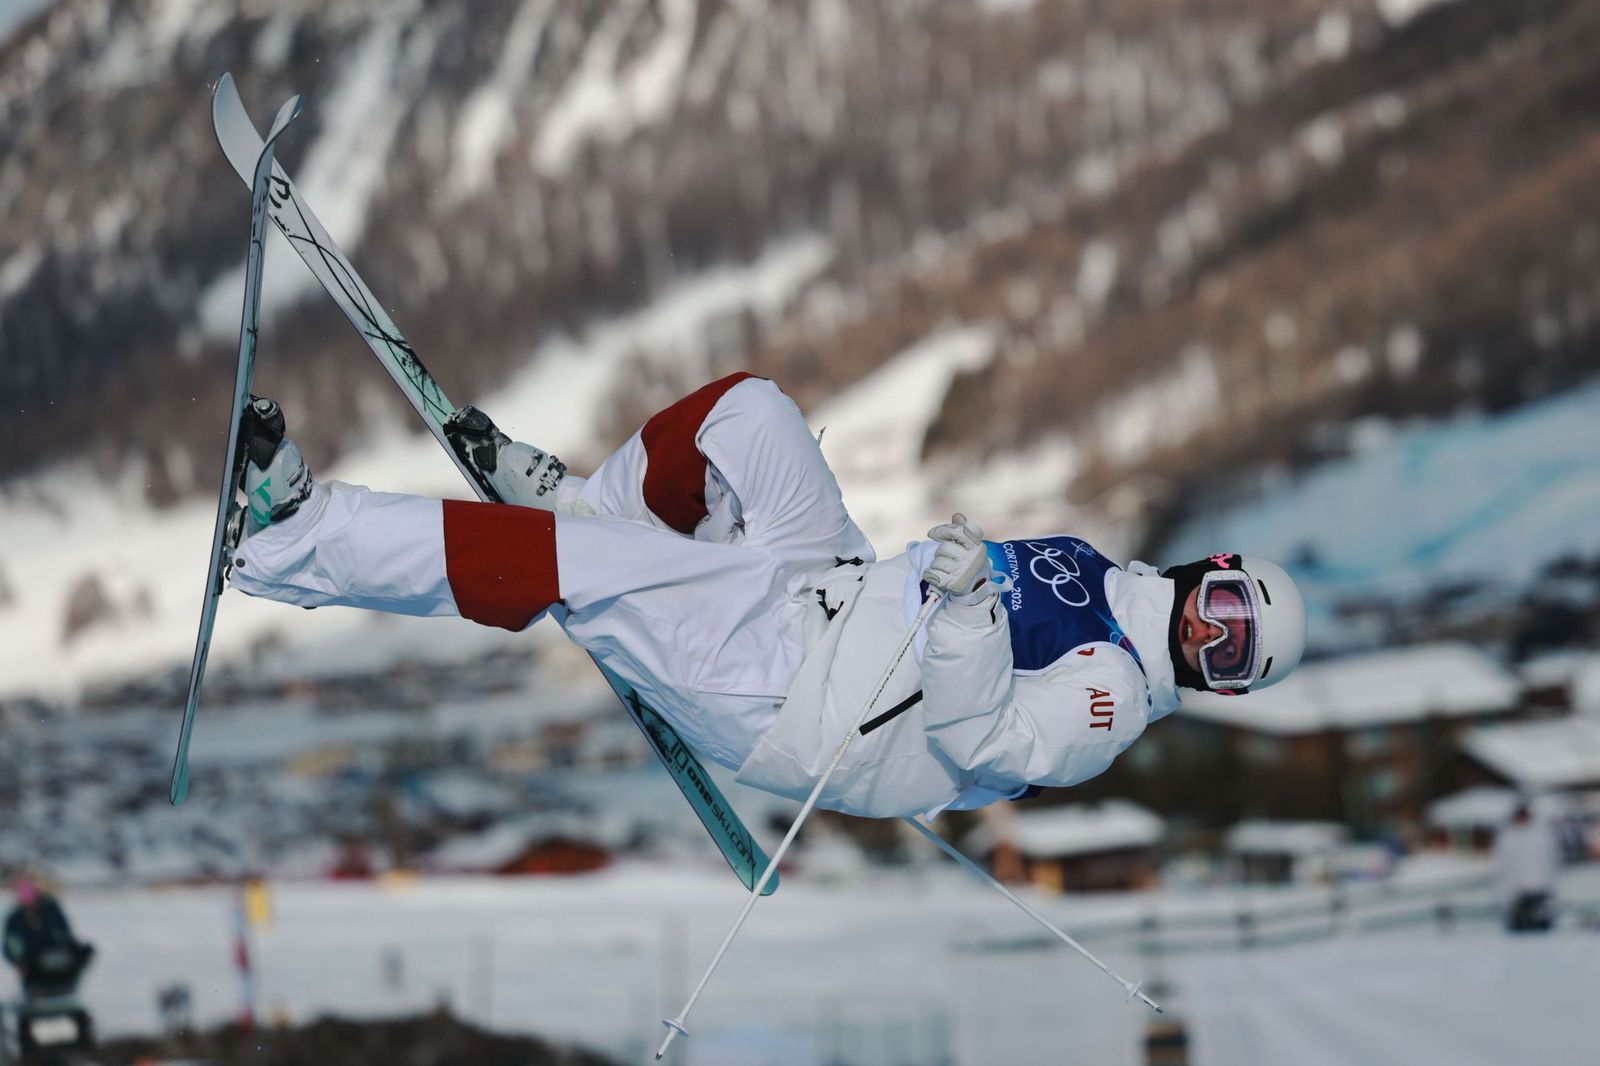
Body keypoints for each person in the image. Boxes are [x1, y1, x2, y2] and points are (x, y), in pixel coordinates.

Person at [228, 373, 1306, 819]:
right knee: (748, 415)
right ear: (1215, 575)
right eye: (1231, 611)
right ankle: (593, 510)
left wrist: (973, 606)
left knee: (565, 571)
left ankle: (288, 536)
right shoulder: (1108, 577)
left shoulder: (1110, 693)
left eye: (1232, 654)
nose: (1214, 633)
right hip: (828, 593)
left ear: (1223, 682)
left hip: (790, 699)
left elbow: (984, 740)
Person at [3, 878, 93, 999]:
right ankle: (36, 990)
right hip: (33, 961)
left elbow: (65, 932)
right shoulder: (15, 918)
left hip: (56, 955)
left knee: (86, 950)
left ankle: (67, 986)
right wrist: (19, 961)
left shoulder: (51, 909)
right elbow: (12, 944)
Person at [1493, 802, 1561, 933]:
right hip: (1517, 890)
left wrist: (1551, 883)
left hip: (1540, 887)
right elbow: (1502, 864)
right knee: (1519, 926)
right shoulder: (1508, 837)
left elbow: (1551, 860)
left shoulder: (1541, 835)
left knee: (1541, 925)